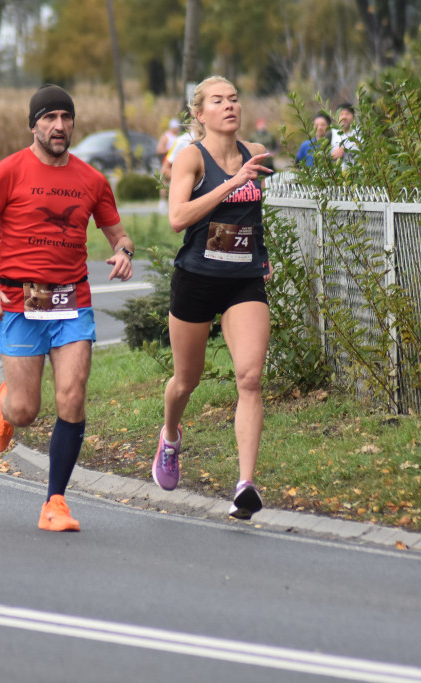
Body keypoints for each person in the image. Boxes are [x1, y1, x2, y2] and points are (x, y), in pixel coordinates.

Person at [0, 84, 135, 532]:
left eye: (66, 117)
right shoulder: (9, 171)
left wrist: (123, 252)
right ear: (33, 124)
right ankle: (4, 406)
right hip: (19, 302)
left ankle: (55, 501)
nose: (59, 126)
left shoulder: (92, 180)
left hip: (71, 302)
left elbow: (119, 234)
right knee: (25, 412)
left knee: (72, 397)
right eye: (50, 117)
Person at [156, 75, 273, 521]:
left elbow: (250, 216)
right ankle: (170, 437)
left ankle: (245, 485)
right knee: (187, 380)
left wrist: (262, 254)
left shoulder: (255, 155)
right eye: (218, 101)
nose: (229, 106)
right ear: (199, 113)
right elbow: (177, 217)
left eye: (235, 99)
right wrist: (232, 182)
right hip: (197, 277)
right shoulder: (191, 157)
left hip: (243, 279)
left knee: (250, 378)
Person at [155, 118, 181, 211]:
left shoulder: (179, 137)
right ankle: (162, 202)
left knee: (176, 182)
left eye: (177, 128)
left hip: (177, 163)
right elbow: (159, 149)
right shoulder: (166, 136)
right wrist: (170, 150)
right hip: (167, 162)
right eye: (174, 128)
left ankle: (174, 202)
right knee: (164, 182)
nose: (176, 130)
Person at [330, 103, 360, 167]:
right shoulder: (331, 133)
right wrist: (332, 156)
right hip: (337, 174)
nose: (344, 117)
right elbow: (322, 157)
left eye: (347, 114)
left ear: (353, 116)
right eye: (341, 114)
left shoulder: (360, 132)